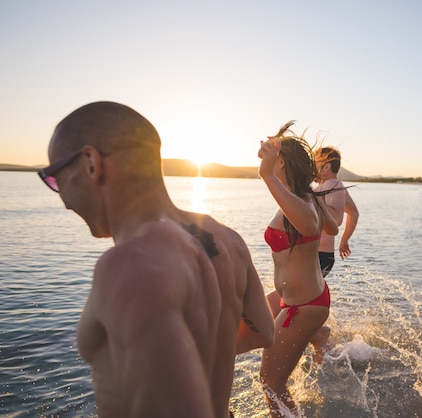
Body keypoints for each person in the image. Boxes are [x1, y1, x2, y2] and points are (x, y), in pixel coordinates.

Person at [38, 101, 274, 418]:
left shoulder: (130, 265)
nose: (62, 198)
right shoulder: (229, 240)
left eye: (54, 178)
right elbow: (263, 333)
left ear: (91, 163)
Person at [257, 121, 338, 417]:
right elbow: (332, 226)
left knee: (270, 384)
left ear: (281, 163)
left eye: (269, 158)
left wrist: (266, 176)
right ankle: (317, 335)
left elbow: (309, 225)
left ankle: (312, 331)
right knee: (232, 326)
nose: (262, 160)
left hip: (303, 306)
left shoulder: (302, 201)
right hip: (296, 299)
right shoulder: (305, 196)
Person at [314, 146, 359, 277]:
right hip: (321, 255)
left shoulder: (332, 185)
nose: (312, 166)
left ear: (326, 166)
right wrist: (344, 240)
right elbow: (354, 213)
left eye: (315, 162)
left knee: (290, 294)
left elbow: (335, 219)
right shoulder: (333, 186)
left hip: (318, 256)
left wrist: (312, 202)